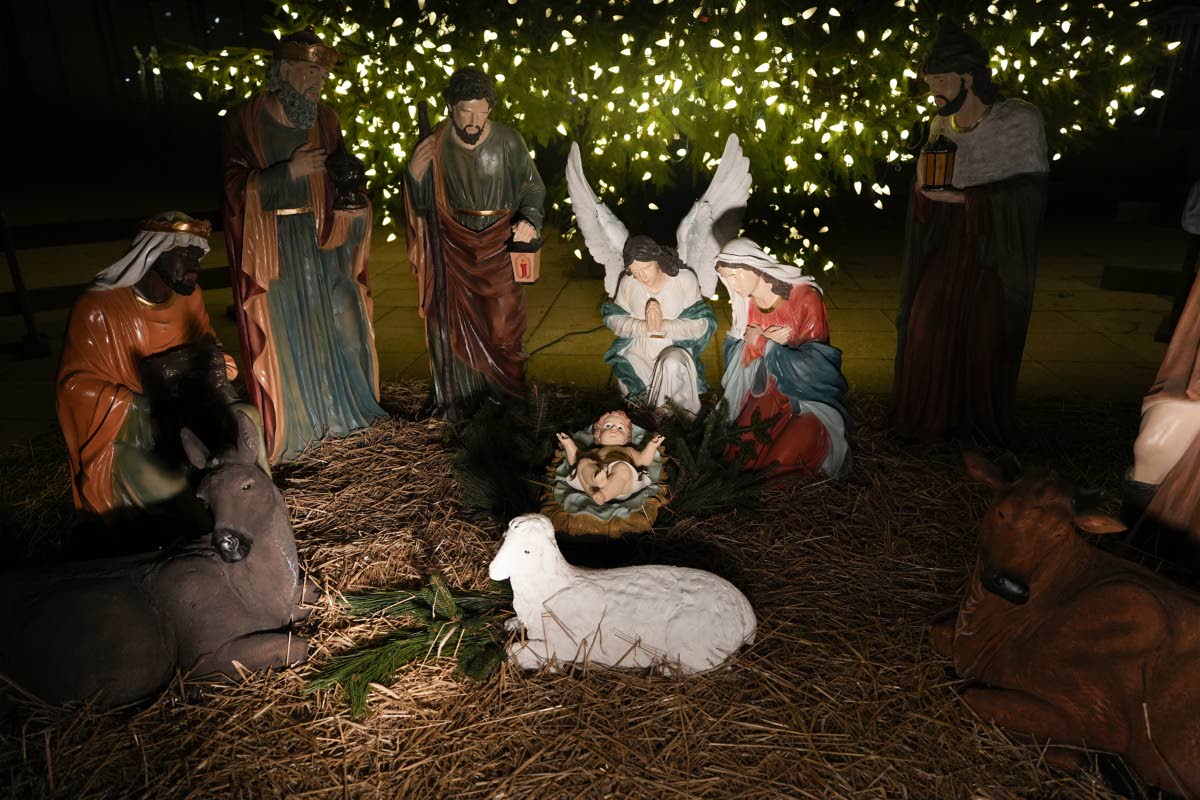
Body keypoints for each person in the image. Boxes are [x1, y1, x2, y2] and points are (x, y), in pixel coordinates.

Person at [223, 27, 384, 464]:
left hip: (324, 241)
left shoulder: (326, 119)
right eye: (309, 73)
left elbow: (344, 176)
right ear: (282, 71)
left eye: (322, 76)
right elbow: (233, 190)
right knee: (289, 336)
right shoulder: (245, 120)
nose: (318, 83)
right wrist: (287, 173)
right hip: (275, 250)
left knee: (340, 322)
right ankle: (300, 426)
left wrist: (355, 205)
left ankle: (342, 416)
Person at [890, 18, 1049, 444]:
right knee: (924, 324)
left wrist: (966, 199)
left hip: (992, 251)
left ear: (969, 77)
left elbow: (1028, 195)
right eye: (929, 82)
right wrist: (924, 194)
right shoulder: (940, 125)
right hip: (948, 245)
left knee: (984, 334)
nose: (934, 91)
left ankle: (974, 427)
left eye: (941, 80)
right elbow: (930, 181)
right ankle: (928, 422)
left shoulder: (1019, 120)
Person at [56, 212, 254, 521]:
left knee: (248, 417)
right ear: (153, 253)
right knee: (174, 489)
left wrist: (217, 365)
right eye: (185, 255)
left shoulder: (190, 298)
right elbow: (74, 388)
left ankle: (261, 510)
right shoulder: (97, 309)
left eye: (198, 257)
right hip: (136, 433)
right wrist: (142, 405)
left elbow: (207, 346)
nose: (195, 266)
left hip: (194, 413)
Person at [404, 66, 546, 416]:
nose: (473, 121)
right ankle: (461, 402)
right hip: (453, 246)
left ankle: (510, 403)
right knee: (446, 325)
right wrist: (414, 175)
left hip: (499, 244)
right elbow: (422, 205)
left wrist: (529, 218)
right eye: (466, 111)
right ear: (451, 107)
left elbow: (532, 186)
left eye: (481, 113)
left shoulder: (509, 141)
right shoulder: (434, 143)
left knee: (503, 329)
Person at [716, 239, 851, 479]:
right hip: (764, 392)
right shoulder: (745, 303)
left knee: (777, 467)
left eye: (735, 276)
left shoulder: (805, 298)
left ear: (754, 267)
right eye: (727, 278)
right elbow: (735, 358)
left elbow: (816, 367)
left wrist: (764, 345)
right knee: (738, 456)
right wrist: (752, 343)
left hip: (805, 401)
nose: (732, 285)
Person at [602, 236, 718, 417]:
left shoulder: (684, 280)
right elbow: (613, 318)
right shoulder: (628, 282)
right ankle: (643, 422)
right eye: (635, 271)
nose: (642, 277)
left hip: (673, 346)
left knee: (673, 365)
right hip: (639, 348)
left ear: (657, 259)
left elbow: (701, 323)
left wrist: (665, 326)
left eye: (646, 268)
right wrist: (641, 326)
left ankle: (680, 420)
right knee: (631, 371)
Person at [556, 411, 665, 504]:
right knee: (583, 462)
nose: (613, 429)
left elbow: (644, 460)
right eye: (608, 426)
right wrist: (568, 444)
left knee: (622, 467)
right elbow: (575, 461)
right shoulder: (595, 451)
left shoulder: (628, 450)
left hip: (620, 485)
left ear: (626, 438)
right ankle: (596, 480)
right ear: (598, 435)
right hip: (595, 482)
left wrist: (652, 446)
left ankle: (604, 494)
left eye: (620, 428)